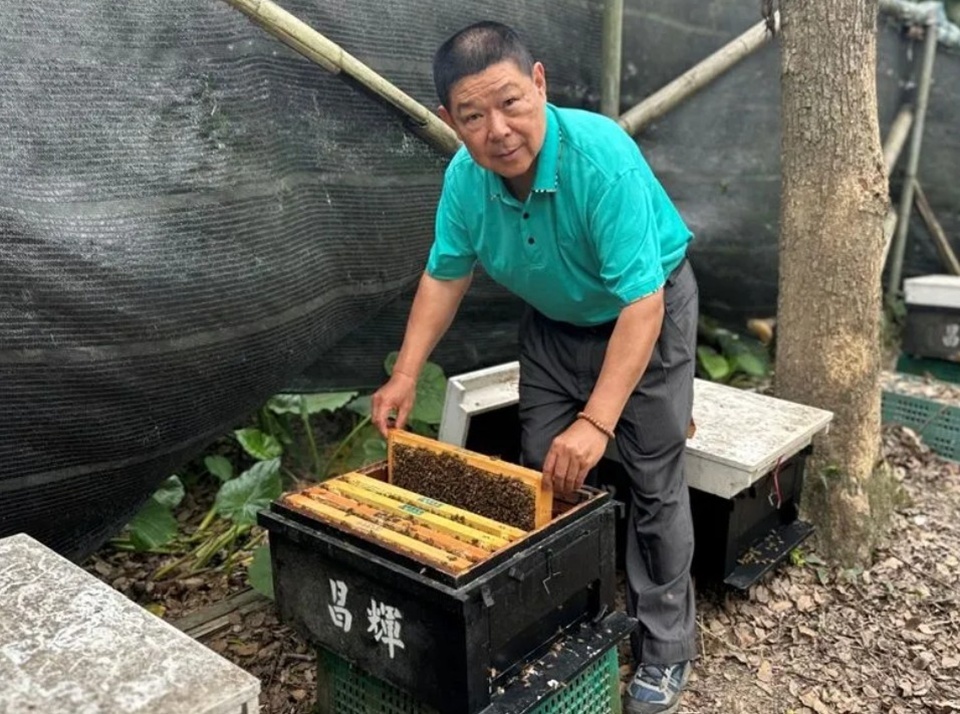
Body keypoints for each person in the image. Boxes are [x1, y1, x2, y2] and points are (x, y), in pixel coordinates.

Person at [371, 21, 698, 714]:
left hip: (646, 314)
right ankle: (563, 624)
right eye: (473, 115)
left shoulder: (600, 159)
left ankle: (665, 646)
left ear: (541, 84)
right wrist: (404, 374)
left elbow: (643, 304)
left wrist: (598, 420)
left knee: (652, 479)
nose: (499, 130)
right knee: (539, 469)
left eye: (513, 102)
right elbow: (444, 276)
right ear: (448, 120)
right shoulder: (466, 180)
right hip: (553, 324)